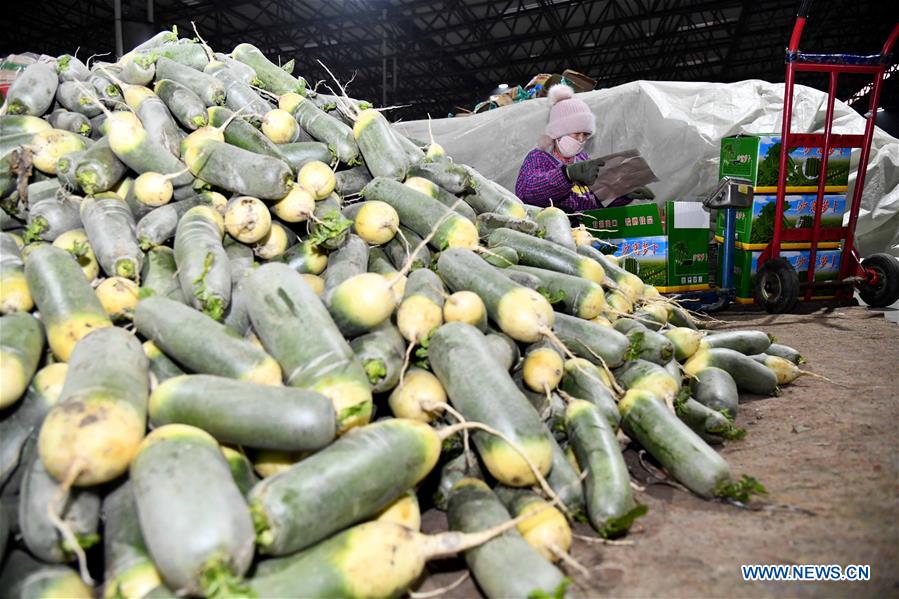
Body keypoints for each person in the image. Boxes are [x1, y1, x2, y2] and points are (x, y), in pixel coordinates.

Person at [515, 84, 652, 215]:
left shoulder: (583, 160)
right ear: (558, 132)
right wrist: (566, 175)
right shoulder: (539, 157)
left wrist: (622, 193)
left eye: (585, 134)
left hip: (585, 232)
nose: (581, 139)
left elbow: (597, 202)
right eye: (576, 133)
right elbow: (530, 192)